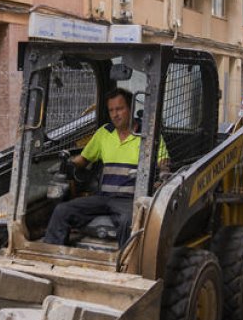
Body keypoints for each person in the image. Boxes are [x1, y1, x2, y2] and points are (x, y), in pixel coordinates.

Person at [42, 88, 167, 248]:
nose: (115, 114)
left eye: (120, 109)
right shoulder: (104, 133)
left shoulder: (147, 135)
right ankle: (51, 257)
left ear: (131, 108)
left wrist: (164, 174)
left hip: (129, 200)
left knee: (128, 221)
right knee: (62, 210)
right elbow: (82, 160)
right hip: (103, 197)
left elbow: (164, 161)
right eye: (111, 110)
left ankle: (126, 267)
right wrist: (67, 165)